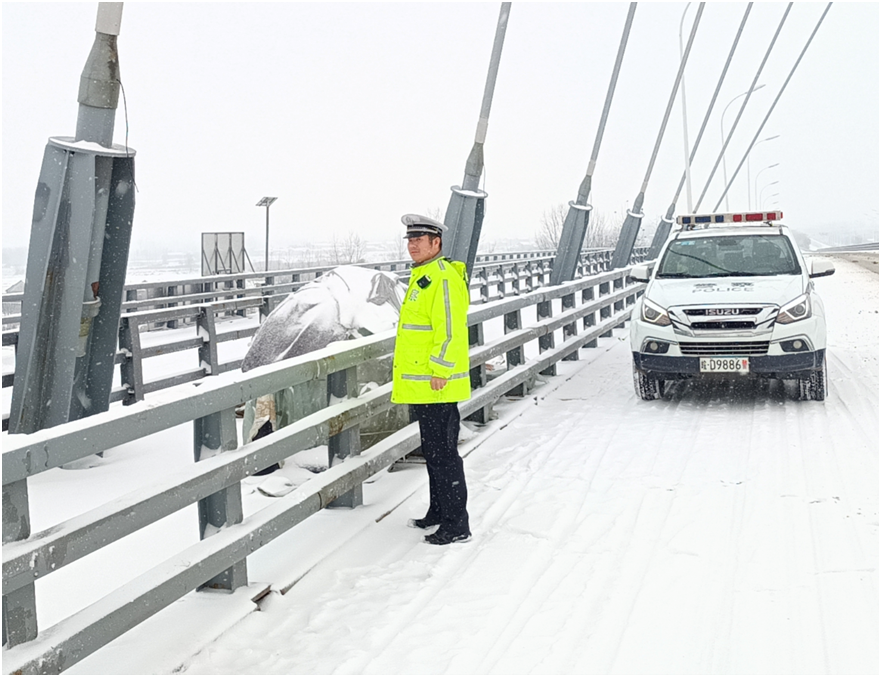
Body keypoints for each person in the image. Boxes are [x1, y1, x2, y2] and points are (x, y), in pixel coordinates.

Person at [392, 213, 472, 545]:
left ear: (435, 243)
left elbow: (450, 329)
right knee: (434, 452)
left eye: (418, 240)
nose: (412, 245)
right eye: (409, 240)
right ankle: (438, 511)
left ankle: (457, 524)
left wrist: (440, 369)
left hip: (437, 382)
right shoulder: (422, 276)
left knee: (444, 454)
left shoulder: (441, 278)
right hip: (423, 384)